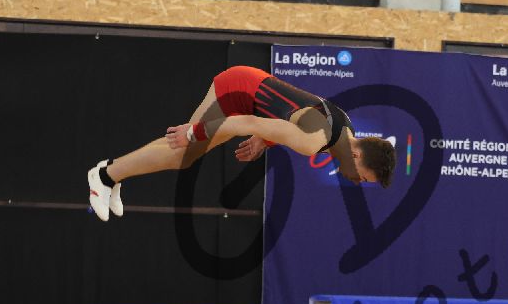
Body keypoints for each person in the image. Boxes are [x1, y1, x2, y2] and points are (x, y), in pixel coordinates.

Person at [86, 65, 396, 220]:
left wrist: (265, 141)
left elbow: (298, 112)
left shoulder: (345, 127)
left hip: (250, 91)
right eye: (362, 177)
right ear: (357, 156)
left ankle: (113, 173)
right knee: (183, 153)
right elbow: (246, 123)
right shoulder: (314, 142)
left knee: (183, 153)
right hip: (237, 91)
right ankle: (104, 176)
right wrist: (194, 133)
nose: (356, 181)